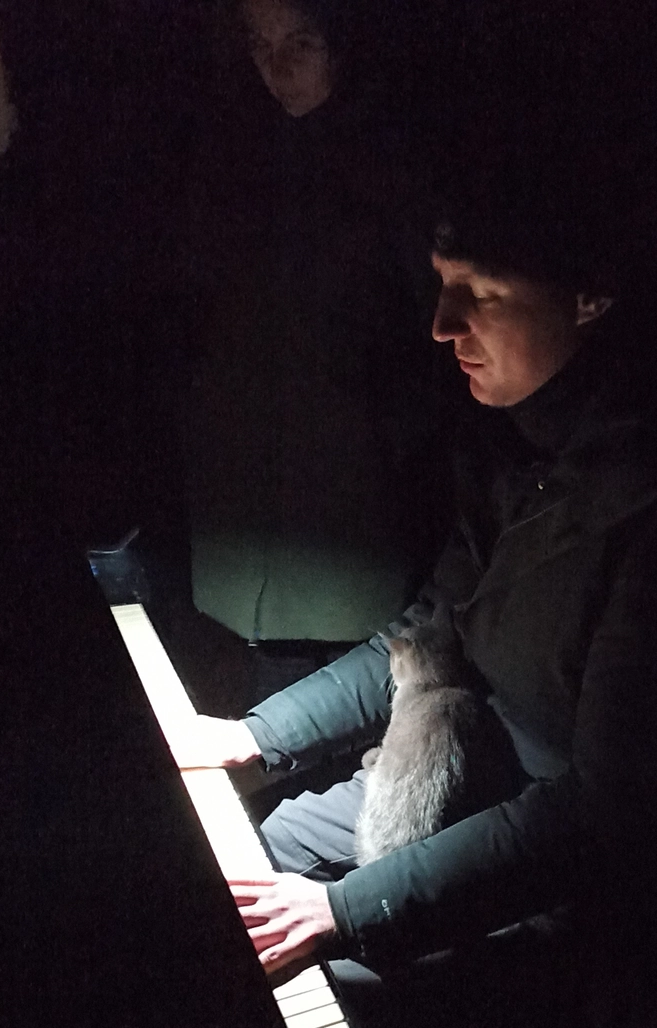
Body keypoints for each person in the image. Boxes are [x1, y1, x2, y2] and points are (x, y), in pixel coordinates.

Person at [174, 186, 657, 1028]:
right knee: (229, 873)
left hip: (561, 868)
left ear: (590, 298)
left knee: (329, 984)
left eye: (480, 292)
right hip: (454, 762)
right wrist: (254, 734)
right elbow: (421, 638)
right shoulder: (512, 452)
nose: (442, 324)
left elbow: (598, 812)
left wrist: (348, 911)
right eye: (443, 285)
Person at [183, 0, 447, 707]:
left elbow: (440, 338)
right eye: (259, 43)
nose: (279, 65)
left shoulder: (396, 172)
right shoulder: (233, 168)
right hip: (242, 541)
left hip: (352, 540)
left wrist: (387, 438)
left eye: (300, 40)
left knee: (334, 739)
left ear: (343, 41)